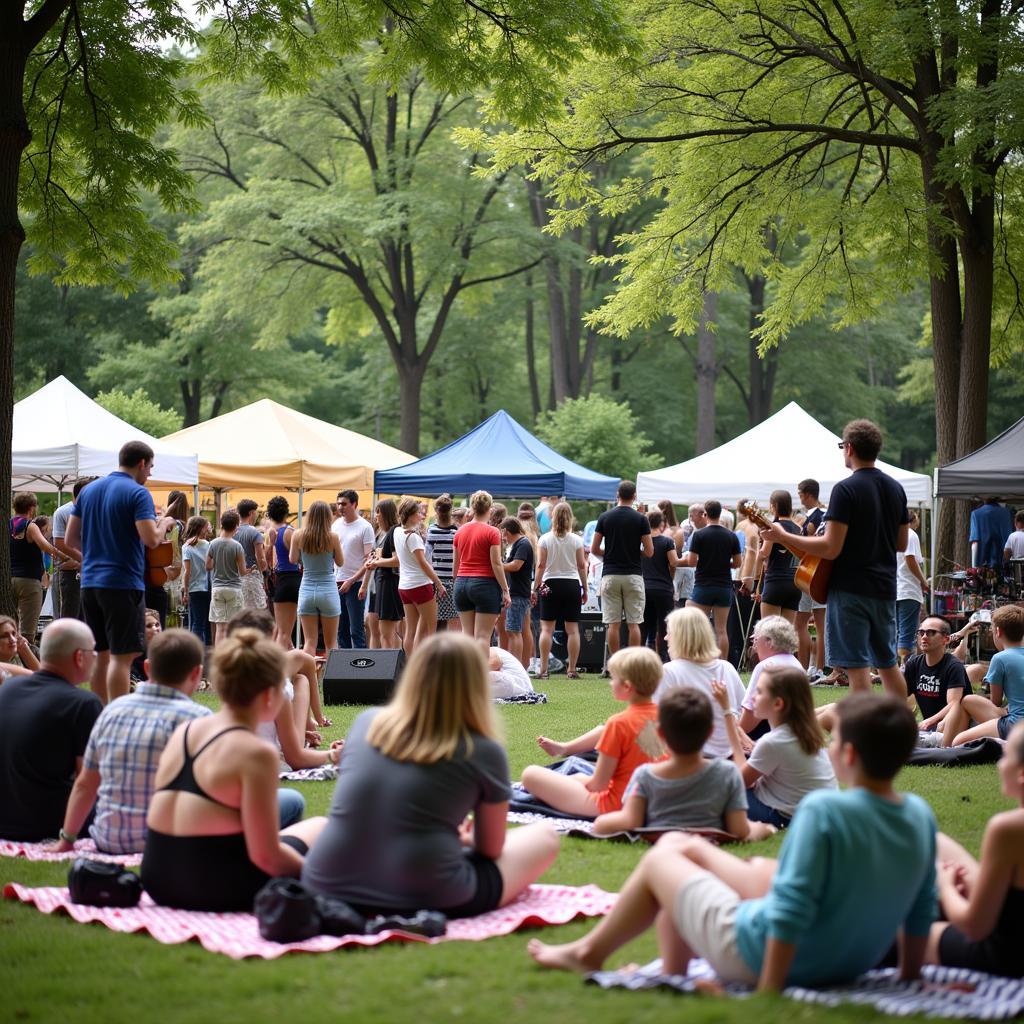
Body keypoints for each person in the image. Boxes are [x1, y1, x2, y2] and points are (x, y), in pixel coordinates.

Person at [528, 693, 935, 992]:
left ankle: (594, 955)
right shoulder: (918, 814)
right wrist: (910, 977)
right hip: (848, 961)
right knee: (717, 857)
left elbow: (790, 909)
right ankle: (669, 967)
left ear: (847, 754)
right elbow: (920, 906)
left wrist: (769, 992)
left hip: (768, 959)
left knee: (665, 854)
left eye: (832, 741)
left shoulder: (824, 811)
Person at [301, 633, 559, 916]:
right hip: (429, 892)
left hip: (327, 882)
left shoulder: (368, 722)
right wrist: (463, 838)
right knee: (545, 836)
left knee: (317, 824)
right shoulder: (482, 748)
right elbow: (490, 848)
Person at [140, 629, 324, 912]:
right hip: (214, 887)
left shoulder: (186, 732)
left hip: (157, 879)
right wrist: (324, 882)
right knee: (322, 827)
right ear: (268, 695)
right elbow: (267, 857)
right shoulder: (256, 752)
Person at [759, 419, 909, 698]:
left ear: (849, 448)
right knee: (888, 666)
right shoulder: (895, 488)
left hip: (851, 589)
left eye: (842, 446)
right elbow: (900, 543)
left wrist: (782, 536)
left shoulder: (845, 489)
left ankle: (862, 737)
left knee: (858, 670)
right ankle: (902, 735)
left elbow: (830, 547)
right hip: (885, 588)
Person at [49, 629, 211, 855]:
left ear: (147, 668)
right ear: (196, 673)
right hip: (168, 842)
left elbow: (86, 783)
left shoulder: (111, 710)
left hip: (108, 839)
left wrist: (67, 839)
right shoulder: (199, 720)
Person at [65, 441, 176, 704]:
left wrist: (94, 556)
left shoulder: (88, 491)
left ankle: (102, 715)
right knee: (122, 657)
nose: (150, 473)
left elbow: (70, 538)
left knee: (101, 655)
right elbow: (150, 539)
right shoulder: (138, 494)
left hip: (91, 584)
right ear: (141, 463)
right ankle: (118, 715)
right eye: (150, 467)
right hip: (123, 584)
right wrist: (164, 523)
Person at [592, 688, 772, 841]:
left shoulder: (646, 775)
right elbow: (740, 830)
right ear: (710, 732)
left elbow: (630, 820)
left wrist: (599, 824)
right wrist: (765, 829)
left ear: (660, 733)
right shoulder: (727, 773)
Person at [926, 721, 1024, 977]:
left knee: (906, 930)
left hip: (1005, 954)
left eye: (1006, 757)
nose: (1000, 765)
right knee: (937, 841)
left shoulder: (1009, 829)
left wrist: (946, 887)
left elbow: (975, 927)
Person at [521, 647, 666, 817]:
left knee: (531, 774)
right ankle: (565, 755)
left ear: (626, 686)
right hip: (654, 801)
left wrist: (571, 783)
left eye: (614, 679)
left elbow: (598, 785)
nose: (611, 683)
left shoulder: (619, 724)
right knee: (578, 777)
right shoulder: (665, 718)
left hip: (615, 805)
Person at [0, 619, 101, 841]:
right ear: (79, 657)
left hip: (5, 819)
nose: (96, 657)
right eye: (93, 651)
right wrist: (68, 837)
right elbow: (88, 781)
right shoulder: (83, 703)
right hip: (48, 822)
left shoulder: (8, 689)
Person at [225, 610, 342, 792]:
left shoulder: (228, 683)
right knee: (298, 805)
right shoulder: (276, 689)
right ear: (272, 636)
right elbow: (295, 759)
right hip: (259, 769)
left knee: (301, 678)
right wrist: (334, 755)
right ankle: (306, 728)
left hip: (228, 772)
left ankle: (306, 728)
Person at [715, 665, 837, 828]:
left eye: (759, 692)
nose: (752, 697)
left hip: (785, 815)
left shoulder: (774, 742)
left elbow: (742, 782)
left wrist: (728, 715)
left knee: (718, 789)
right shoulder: (802, 731)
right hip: (817, 811)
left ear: (778, 703)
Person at [657, 607, 746, 759]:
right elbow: (742, 711)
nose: (665, 638)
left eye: (669, 633)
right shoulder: (727, 668)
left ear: (680, 637)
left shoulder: (668, 672)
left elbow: (654, 721)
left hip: (687, 760)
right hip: (730, 757)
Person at [944, 604, 1024, 746]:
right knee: (969, 700)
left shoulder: (1000, 659)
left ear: (998, 632)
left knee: (958, 741)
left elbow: (996, 702)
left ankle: (947, 746)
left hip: (1016, 724)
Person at [591, 481, 653, 654]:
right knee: (634, 624)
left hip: (610, 574)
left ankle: (615, 663)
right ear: (634, 496)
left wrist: (611, 553)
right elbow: (649, 551)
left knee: (613, 624)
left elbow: (594, 548)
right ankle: (632, 663)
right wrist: (634, 552)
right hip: (633, 574)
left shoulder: (604, 517)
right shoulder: (641, 519)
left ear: (617, 495)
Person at [895, 616, 972, 743]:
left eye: (931, 633)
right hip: (929, 729)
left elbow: (953, 704)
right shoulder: (913, 664)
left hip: (952, 726)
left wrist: (930, 721)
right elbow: (900, 698)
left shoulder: (953, 666)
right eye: (921, 632)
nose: (924, 636)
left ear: (946, 639)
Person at [534, 501, 588, 680]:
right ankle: (571, 669)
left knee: (546, 629)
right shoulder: (577, 540)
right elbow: (581, 565)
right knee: (572, 629)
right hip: (571, 584)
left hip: (550, 584)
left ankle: (543, 669)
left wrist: (535, 586)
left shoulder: (545, 539)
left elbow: (541, 565)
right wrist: (585, 588)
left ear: (552, 517)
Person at [683, 499, 741, 661]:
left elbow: (691, 561)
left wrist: (707, 561)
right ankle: (722, 664)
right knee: (721, 630)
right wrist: (723, 562)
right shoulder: (731, 536)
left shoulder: (699, 535)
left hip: (703, 585)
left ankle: (698, 660)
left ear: (705, 514)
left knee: (698, 626)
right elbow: (737, 563)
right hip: (723, 586)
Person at [453, 490, 511, 647]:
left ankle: (467, 672)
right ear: (490, 509)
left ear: (472, 507)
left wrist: (456, 584)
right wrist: (505, 590)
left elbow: (456, 565)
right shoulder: (492, 532)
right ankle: (482, 672)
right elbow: (496, 563)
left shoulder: (460, 531)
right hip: (485, 585)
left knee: (467, 636)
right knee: (482, 637)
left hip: (461, 585)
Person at [393, 498, 447, 656]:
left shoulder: (397, 531)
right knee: (431, 630)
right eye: (418, 513)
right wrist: (438, 583)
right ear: (410, 515)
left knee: (411, 630)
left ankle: (412, 666)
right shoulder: (413, 538)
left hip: (404, 586)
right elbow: (423, 564)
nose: (421, 515)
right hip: (420, 585)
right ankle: (428, 666)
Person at [290, 500, 344, 658]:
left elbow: (292, 559)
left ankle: (308, 681)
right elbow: (340, 562)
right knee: (331, 643)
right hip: (328, 590)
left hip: (306, 589)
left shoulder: (298, 535)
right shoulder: (332, 537)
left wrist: (304, 558)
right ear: (328, 516)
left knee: (309, 642)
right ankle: (333, 682)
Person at [10, 491, 62, 647]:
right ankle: (26, 666)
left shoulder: (6, 524)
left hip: (9, 580)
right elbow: (44, 545)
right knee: (27, 632)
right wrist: (63, 556)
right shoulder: (30, 526)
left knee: (10, 626)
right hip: (29, 582)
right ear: (31, 508)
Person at [738, 616, 802, 740]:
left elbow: (749, 720)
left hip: (766, 736)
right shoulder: (796, 664)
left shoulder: (765, 667)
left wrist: (733, 731)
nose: (754, 645)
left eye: (756, 639)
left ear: (770, 642)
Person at [332, 490, 375, 649]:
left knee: (356, 629)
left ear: (354, 504)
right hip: (337, 581)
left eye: (344, 504)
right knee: (341, 629)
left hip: (356, 583)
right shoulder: (335, 525)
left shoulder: (365, 527)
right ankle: (343, 669)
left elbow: (369, 559)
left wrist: (353, 580)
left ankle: (360, 669)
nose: (340, 507)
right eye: (338, 503)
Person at [751, 490, 801, 624]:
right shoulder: (798, 528)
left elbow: (764, 554)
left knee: (769, 631)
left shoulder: (774, 527)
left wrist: (756, 582)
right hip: (794, 583)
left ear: (773, 506)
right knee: (786, 634)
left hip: (776, 581)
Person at [794, 479, 827, 678]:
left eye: (800, 495)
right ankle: (805, 668)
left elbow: (813, 543)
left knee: (819, 626)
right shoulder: (814, 516)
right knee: (801, 623)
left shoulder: (817, 517)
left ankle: (819, 668)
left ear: (807, 494)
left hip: (814, 573)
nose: (800, 499)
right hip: (807, 573)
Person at [362, 499, 403, 649]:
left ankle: (391, 668)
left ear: (385, 513)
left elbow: (397, 560)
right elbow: (376, 558)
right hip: (378, 585)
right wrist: (365, 584)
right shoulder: (380, 534)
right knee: (377, 628)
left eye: (378, 512)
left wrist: (377, 562)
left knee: (387, 632)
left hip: (389, 584)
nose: (376, 516)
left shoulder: (393, 532)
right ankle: (385, 665)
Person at [51, 477, 93, 620]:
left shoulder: (95, 510)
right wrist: (81, 559)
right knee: (71, 614)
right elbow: (59, 542)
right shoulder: (63, 511)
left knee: (90, 614)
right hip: (72, 571)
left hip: (93, 570)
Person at [206, 509, 249, 646]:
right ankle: (231, 656)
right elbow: (242, 572)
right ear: (236, 526)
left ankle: (219, 657)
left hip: (217, 587)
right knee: (233, 627)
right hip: (234, 588)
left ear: (222, 524)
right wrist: (250, 570)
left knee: (220, 628)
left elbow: (207, 565)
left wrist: (218, 562)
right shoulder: (237, 546)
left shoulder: (213, 543)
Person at [146, 490, 188, 627]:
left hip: (159, 570)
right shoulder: (182, 525)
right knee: (173, 610)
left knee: (157, 613)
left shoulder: (166, 524)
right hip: (175, 572)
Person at [641, 510, 680, 659]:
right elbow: (673, 563)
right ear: (662, 524)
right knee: (663, 627)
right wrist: (670, 578)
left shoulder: (641, 543)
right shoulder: (667, 542)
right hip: (663, 589)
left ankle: (639, 659)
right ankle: (663, 657)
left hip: (644, 587)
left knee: (643, 626)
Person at [265, 495, 300, 649]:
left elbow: (267, 562)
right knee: (283, 632)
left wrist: (270, 545)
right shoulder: (290, 532)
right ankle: (279, 665)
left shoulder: (272, 533)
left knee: (281, 631)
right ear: (286, 513)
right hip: (293, 579)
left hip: (281, 580)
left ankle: (276, 665)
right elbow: (298, 558)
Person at [896, 511, 929, 662]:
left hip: (893, 590)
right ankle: (906, 669)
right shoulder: (910, 534)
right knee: (907, 632)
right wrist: (923, 581)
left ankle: (894, 669)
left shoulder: (892, 535)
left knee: (897, 631)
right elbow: (910, 559)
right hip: (908, 589)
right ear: (913, 519)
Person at [502, 517, 535, 667]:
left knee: (513, 632)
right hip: (522, 592)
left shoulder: (522, 544)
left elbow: (516, 566)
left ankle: (516, 667)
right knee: (523, 629)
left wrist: (497, 566)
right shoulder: (524, 542)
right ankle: (524, 664)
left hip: (517, 594)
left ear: (506, 531)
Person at [426, 495, 460, 633]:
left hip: (434, 580)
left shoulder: (431, 530)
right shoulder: (456, 532)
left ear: (436, 510)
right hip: (452, 580)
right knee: (453, 621)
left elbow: (427, 557)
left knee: (432, 621)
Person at [180, 515, 212, 647]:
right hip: (208, 586)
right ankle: (204, 651)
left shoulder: (186, 546)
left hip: (194, 588)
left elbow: (187, 571)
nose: (207, 530)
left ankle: (196, 652)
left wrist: (185, 591)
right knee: (206, 623)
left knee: (195, 622)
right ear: (200, 528)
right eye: (205, 527)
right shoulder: (207, 544)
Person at [232, 499, 268, 611]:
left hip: (235, 578)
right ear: (251, 513)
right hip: (252, 576)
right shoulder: (255, 533)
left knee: (240, 613)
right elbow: (260, 558)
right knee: (257, 613)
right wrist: (265, 568)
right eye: (256, 512)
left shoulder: (233, 532)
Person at [970, 498, 1014, 570]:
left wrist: (974, 567)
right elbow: (1010, 539)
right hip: (1004, 562)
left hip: (983, 564)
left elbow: (975, 543)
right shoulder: (1006, 513)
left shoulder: (976, 514)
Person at [0, 614, 39, 683]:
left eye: (14, 634)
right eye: (4, 636)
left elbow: (46, 680)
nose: (13, 640)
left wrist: (24, 649)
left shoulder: (23, 652)